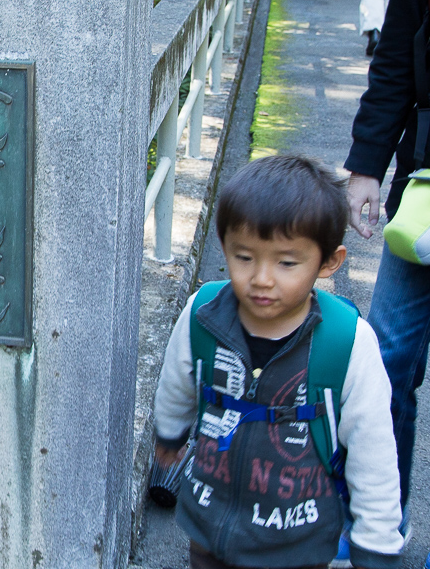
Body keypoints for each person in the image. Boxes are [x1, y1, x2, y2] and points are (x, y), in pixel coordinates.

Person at [155, 155, 403, 569]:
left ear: (328, 262)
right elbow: (178, 380)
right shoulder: (203, 314)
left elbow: (373, 452)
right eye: (244, 256)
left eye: (287, 262)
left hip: (298, 543)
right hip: (209, 527)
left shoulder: (348, 343)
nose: (262, 278)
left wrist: (375, 544)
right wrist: (169, 434)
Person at [345, 0, 429, 547]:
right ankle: (380, 523)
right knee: (388, 358)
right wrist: (367, 167)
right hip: (426, 187)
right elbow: (397, 55)